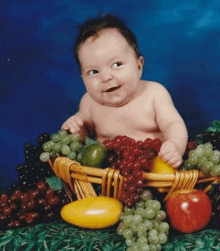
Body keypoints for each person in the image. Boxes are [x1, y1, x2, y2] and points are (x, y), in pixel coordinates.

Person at [61, 13, 188, 168]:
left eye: (117, 64)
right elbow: (85, 144)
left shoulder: (154, 94)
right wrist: (76, 131)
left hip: (156, 169)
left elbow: (173, 124)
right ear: (82, 79)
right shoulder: (88, 102)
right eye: (94, 72)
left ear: (139, 66)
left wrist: (175, 145)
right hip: (108, 177)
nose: (106, 77)